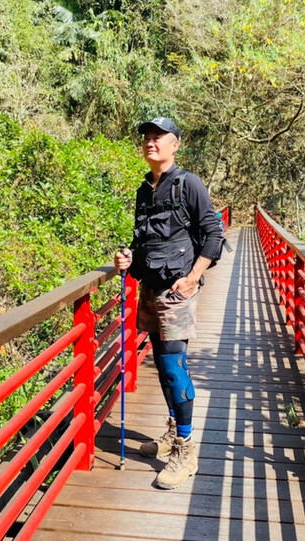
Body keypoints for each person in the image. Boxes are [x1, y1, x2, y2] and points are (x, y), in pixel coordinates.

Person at [114, 115, 224, 490]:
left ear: (174, 144)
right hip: (150, 287)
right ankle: (174, 429)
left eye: (158, 136)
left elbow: (214, 234)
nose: (150, 142)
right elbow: (142, 238)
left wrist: (193, 278)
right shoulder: (145, 189)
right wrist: (128, 257)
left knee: (173, 367)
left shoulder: (188, 183)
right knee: (161, 368)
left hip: (176, 292)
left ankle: (186, 450)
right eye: (147, 136)